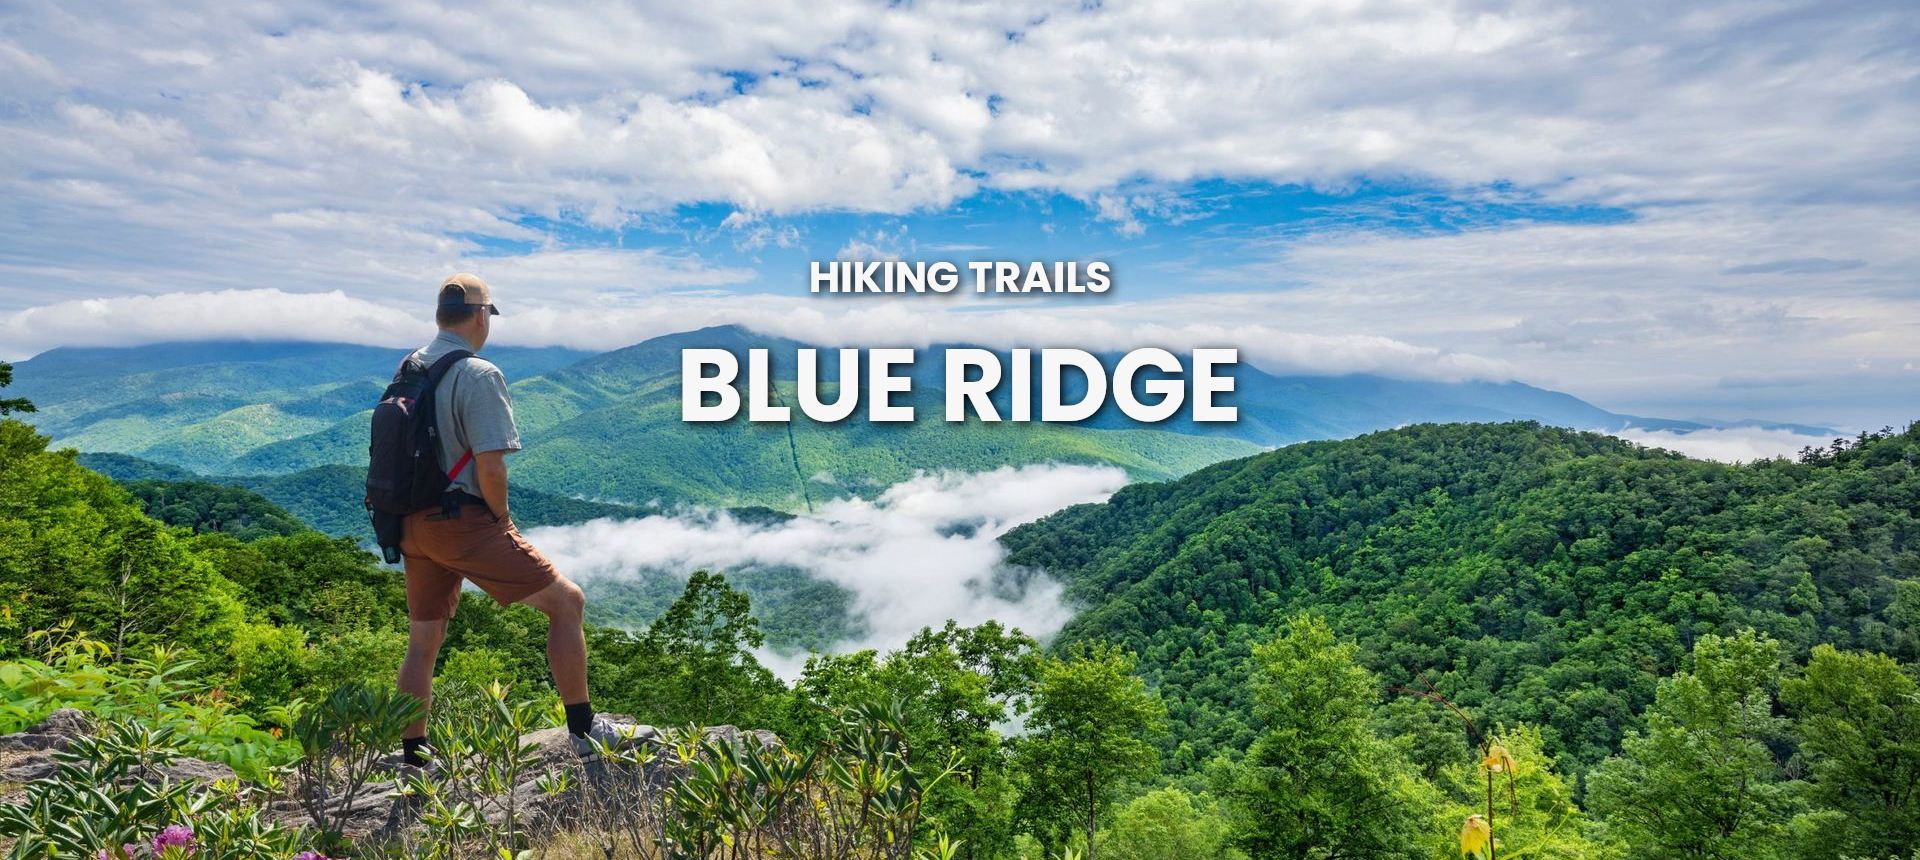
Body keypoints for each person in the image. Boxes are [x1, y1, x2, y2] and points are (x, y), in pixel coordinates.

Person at [394, 273, 619, 763]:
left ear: (439, 314)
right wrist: (501, 521)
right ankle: (583, 730)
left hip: (408, 522)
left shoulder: (410, 365)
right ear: (481, 315)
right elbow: (490, 465)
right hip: (462, 521)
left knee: (423, 638)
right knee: (567, 603)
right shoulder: (480, 374)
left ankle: (413, 754)